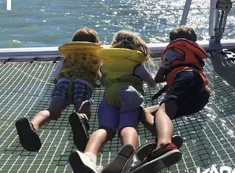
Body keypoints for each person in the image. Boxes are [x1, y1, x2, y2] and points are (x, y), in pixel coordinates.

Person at [68, 30, 156, 173]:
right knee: (128, 126)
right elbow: (151, 83)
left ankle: (89, 158)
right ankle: (130, 160)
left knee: (105, 129)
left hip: (110, 96)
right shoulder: (135, 65)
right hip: (130, 96)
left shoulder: (106, 64)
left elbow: (103, 82)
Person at [130, 25, 211, 173]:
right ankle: (165, 139)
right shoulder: (194, 52)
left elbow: (158, 78)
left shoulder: (172, 51)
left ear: (172, 40)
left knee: (163, 112)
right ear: (194, 40)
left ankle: (164, 145)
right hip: (201, 95)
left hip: (185, 78)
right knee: (143, 112)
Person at [15, 27, 102, 152]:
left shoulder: (67, 58)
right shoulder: (96, 59)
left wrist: (58, 80)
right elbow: (101, 76)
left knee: (52, 111)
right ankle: (81, 118)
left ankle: (33, 125)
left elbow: (55, 75)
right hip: (83, 83)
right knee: (83, 107)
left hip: (63, 82)